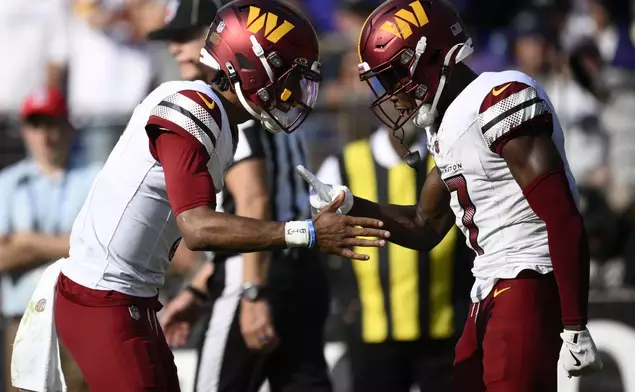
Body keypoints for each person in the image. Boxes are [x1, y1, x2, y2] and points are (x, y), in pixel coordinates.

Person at [42, 1, 389, 391]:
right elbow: (198, 226)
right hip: (103, 297)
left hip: (129, 296)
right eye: (287, 75)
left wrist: (196, 287)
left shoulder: (225, 123)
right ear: (250, 66)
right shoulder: (193, 107)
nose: (293, 91)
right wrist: (305, 232)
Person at [297, 0, 603, 391]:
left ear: (429, 57)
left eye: (392, 75)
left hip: (526, 280)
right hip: (490, 285)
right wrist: (350, 204)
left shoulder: (498, 97)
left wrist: (575, 322)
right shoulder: (448, 122)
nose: (389, 93)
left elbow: (561, 216)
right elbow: (424, 226)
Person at [148, 1, 332, 390]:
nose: (177, 49)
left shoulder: (231, 102)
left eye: (187, 37)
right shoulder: (267, 93)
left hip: (257, 271)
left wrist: (252, 291)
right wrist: (200, 289)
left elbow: (254, 201)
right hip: (296, 266)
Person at [316, 119, 473, 392]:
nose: (402, 106)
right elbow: (320, 239)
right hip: (371, 329)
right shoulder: (341, 165)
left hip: (444, 327)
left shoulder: (449, 160)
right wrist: (345, 299)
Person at [0, 87, 99, 392]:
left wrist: (27, 243)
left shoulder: (96, 176)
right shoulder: (7, 182)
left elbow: (101, 247)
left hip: (79, 322)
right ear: (25, 131)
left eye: (52, 124)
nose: (45, 135)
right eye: (36, 125)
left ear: (68, 127)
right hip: (25, 323)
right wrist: (69, 244)